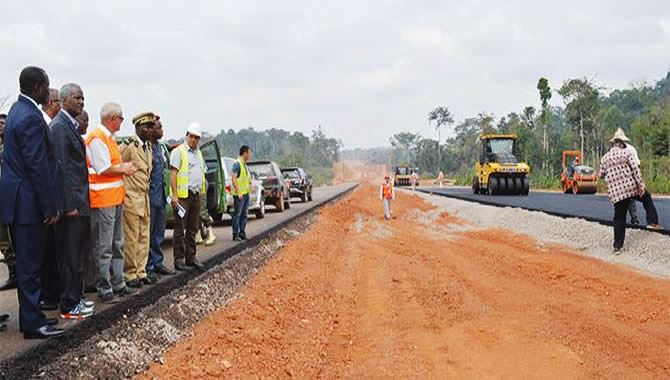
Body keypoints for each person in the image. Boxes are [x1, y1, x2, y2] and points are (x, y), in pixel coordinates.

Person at [0, 66, 64, 338]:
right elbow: (37, 165)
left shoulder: (19, 111)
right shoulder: (28, 117)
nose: (49, 92)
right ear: (37, 87)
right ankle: (32, 323)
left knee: (30, 264)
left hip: (22, 200)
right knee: (29, 265)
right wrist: (49, 206)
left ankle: (34, 317)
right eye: (47, 86)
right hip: (28, 203)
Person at [50, 83, 95, 320]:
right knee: (70, 255)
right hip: (72, 206)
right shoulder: (59, 127)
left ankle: (75, 298)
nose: (81, 102)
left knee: (77, 254)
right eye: (77, 98)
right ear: (65, 99)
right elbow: (62, 169)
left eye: (83, 98)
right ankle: (69, 304)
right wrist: (68, 205)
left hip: (79, 202)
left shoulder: (69, 125)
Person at [86, 102, 138, 303]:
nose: (122, 122)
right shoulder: (97, 139)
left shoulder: (109, 138)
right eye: (121, 118)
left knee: (117, 243)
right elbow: (103, 168)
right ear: (112, 118)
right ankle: (104, 288)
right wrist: (124, 168)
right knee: (104, 246)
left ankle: (118, 283)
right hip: (103, 200)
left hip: (115, 198)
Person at [599, 130, 661, 254]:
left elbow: (601, 174)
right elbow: (635, 170)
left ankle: (617, 247)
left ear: (613, 144)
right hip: (630, 188)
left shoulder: (605, 158)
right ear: (621, 143)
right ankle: (652, 222)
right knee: (646, 198)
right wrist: (641, 185)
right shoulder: (627, 153)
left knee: (619, 218)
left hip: (616, 194)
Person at [119, 112, 154, 288]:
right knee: (131, 238)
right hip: (131, 197)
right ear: (138, 128)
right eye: (147, 127)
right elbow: (117, 165)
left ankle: (141, 271)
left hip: (144, 197)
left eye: (151, 127)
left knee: (143, 236)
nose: (150, 130)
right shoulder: (129, 147)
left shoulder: (148, 147)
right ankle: (129, 273)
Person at [169, 123, 206, 271]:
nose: (194, 140)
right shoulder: (179, 152)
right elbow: (173, 174)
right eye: (192, 137)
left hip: (195, 195)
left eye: (197, 138)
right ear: (187, 135)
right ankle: (179, 259)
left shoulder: (199, 153)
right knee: (180, 228)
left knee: (193, 228)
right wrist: (175, 195)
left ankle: (191, 257)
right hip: (183, 196)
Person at [146, 117, 174, 278]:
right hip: (150, 197)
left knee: (159, 233)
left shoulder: (159, 148)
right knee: (148, 235)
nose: (162, 130)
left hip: (161, 197)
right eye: (159, 127)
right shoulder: (147, 148)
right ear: (151, 130)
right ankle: (148, 267)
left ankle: (158, 262)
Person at [0, 113, 17, 291]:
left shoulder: (13, 144)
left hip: (12, 197)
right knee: (4, 239)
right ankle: (13, 273)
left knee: (15, 236)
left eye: (3, 123)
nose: (0, 126)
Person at [231, 145, 252, 241]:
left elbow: (246, 178)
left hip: (246, 193)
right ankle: (236, 234)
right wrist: (239, 192)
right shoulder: (237, 164)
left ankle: (242, 233)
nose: (250, 155)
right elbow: (234, 178)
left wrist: (250, 184)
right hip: (239, 195)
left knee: (244, 214)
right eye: (249, 153)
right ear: (245, 153)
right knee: (237, 215)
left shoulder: (244, 164)